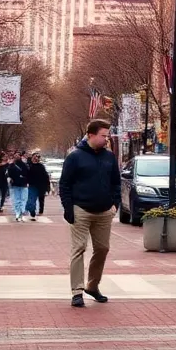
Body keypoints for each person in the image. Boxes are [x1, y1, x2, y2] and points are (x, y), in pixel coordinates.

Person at [59, 119, 121, 308]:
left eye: (107, 135)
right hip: (81, 209)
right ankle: (77, 291)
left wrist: (115, 204)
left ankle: (92, 286)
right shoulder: (75, 157)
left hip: (104, 211)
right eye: (103, 135)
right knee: (79, 249)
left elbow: (116, 182)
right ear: (91, 135)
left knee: (102, 248)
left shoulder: (109, 157)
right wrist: (69, 209)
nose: (106, 139)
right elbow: (65, 184)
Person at [5, 150, 31, 222]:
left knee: (23, 199)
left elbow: (28, 174)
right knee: (16, 199)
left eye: (18, 155)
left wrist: (27, 181)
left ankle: (21, 211)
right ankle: (17, 212)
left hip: (24, 184)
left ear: (20, 156)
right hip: (15, 185)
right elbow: (8, 174)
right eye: (15, 155)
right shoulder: (11, 165)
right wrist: (10, 179)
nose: (16, 157)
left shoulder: (25, 165)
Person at [27, 152, 51, 220]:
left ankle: (40, 211)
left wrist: (47, 186)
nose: (36, 159)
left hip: (41, 186)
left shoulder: (41, 166)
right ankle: (32, 211)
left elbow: (46, 177)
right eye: (34, 157)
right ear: (32, 158)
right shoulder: (28, 166)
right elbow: (25, 174)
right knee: (31, 200)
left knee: (41, 199)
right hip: (32, 186)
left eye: (37, 157)